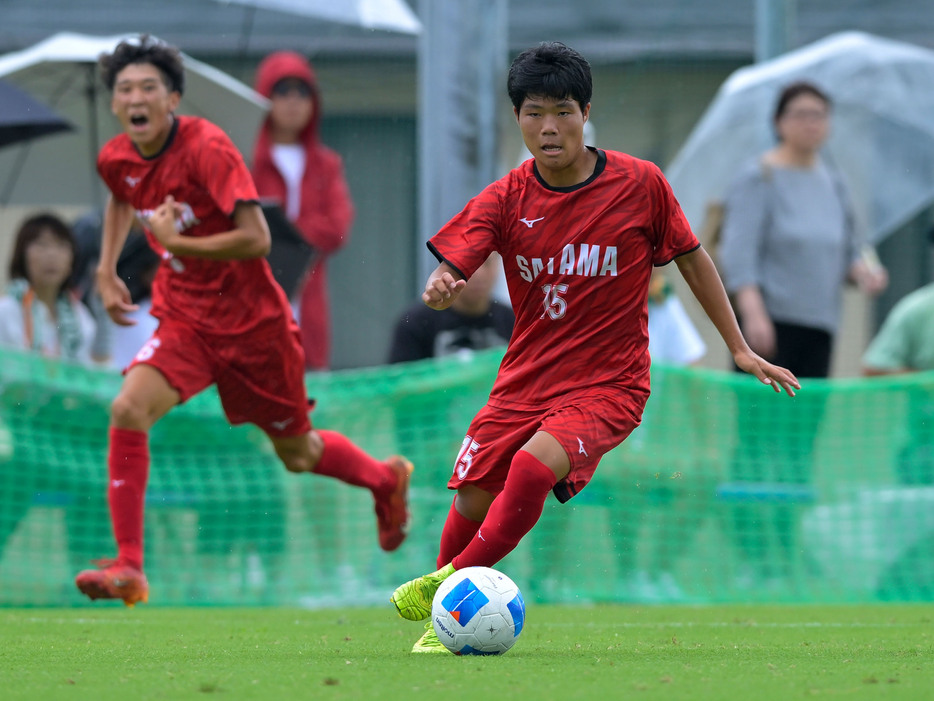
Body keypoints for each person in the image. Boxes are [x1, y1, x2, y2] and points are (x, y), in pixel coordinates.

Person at [389, 41, 799, 653]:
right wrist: (442, 281)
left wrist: (737, 347)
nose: (548, 128)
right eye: (533, 113)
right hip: (525, 377)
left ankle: (445, 582)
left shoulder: (641, 185)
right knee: (474, 491)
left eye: (561, 111)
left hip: (610, 383)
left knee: (530, 468)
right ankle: (442, 624)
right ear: (517, 118)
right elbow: (456, 262)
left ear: (586, 112)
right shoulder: (506, 197)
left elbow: (692, 258)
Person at [73, 35, 412, 607]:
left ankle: (384, 480)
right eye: (126, 88)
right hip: (185, 321)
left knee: (297, 454)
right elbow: (119, 195)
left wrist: (177, 240)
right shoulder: (116, 156)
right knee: (127, 406)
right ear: (115, 104)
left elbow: (257, 240)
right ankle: (129, 566)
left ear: (173, 98)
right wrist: (106, 270)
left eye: (149, 87)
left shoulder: (208, 147)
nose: (137, 97)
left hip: (254, 329)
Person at [718, 81, 888, 587]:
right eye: (801, 113)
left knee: (798, 447)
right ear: (780, 121)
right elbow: (738, 256)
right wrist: (754, 316)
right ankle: (754, 555)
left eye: (820, 114)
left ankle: (783, 556)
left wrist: (862, 273)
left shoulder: (833, 181)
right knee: (757, 444)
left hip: (819, 328)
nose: (811, 123)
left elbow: (846, 251)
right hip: (768, 331)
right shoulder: (760, 176)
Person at [0, 212, 112, 572]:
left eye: (61, 246)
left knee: (97, 477)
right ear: (22, 254)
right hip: (19, 435)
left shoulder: (78, 316)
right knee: (13, 481)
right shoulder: (7, 312)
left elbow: (96, 378)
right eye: (41, 245)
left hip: (67, 438)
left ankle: (89, 573)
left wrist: (105, 315)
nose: (51, 256)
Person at [250, 51, 354, 371]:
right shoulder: (245, 159)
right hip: (255, 293)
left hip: (308, 296)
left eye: (302, 91)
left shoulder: (326, 163)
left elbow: (337, 227)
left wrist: (280, 231)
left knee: (307, 388)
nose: (293, 101)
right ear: (264, 98)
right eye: (282, 91)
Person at [387, 252, 513, 363]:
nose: (478, 274)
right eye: (470, 263)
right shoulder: (416, 323)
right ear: (449, 267)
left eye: (487, 263)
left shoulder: (514, 321)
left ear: (499, 265)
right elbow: (401, 383)